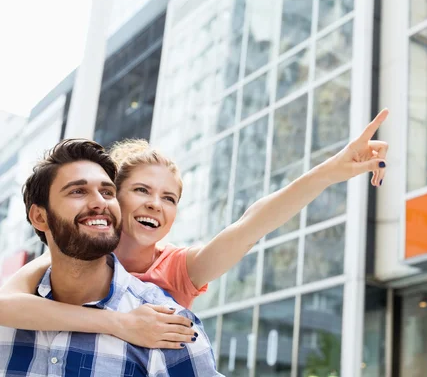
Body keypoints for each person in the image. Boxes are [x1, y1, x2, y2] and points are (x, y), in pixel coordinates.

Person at [0, 109, 390, 349]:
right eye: (141, 191)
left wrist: (330, 171)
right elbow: (5, 305)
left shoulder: (177, 271)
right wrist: (119, 323)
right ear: (112, 199)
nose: (156, 203)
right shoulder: (82, 252)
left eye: (169, 198)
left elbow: (250, 225)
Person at [0, 139, 222, 376]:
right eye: (78, 191)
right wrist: (118, 323)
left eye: (107, 192)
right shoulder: (11, 317)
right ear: (40, 217)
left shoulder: (167, 328)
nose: (99, 202)